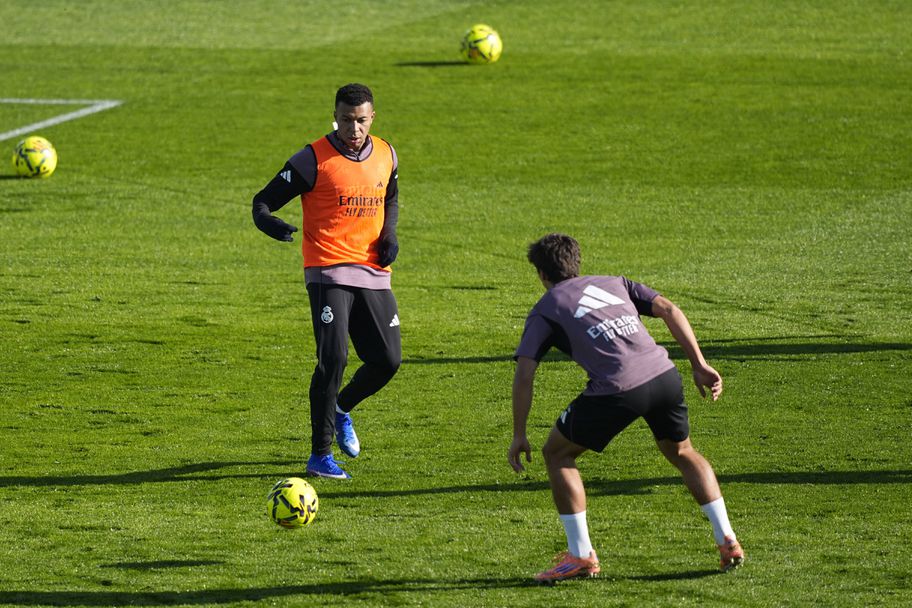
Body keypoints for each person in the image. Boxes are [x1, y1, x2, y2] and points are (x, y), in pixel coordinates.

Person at [507, 233, 743, 583]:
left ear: (541, 273)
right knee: (683, 451)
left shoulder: (546, 309)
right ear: (576, 262)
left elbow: (525, 373)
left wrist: (519, 434)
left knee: (557, 453)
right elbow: (669, 309)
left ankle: (580, 556)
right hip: (664, 375)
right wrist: (699, 364)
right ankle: (727, 540)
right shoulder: (615, 282)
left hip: (616, 390)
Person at [252, 83, 401, 480]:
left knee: (387, 360)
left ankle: (341, 407)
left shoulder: (386, 153)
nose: (354, 129)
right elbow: (262, 202)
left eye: (361, 120)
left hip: (373, 270)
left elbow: (389, 196)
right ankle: (320, 454)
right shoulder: (311, 159)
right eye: (346, 120)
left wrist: (389, 235)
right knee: (333, 358)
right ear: (335, 117)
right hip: (327, 269)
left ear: (372, 118)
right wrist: (270, 223)